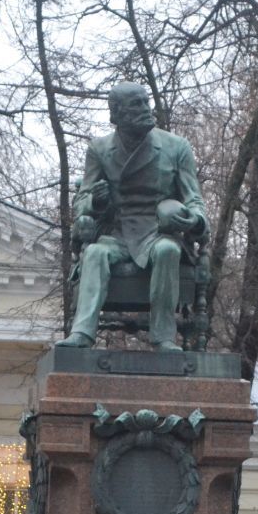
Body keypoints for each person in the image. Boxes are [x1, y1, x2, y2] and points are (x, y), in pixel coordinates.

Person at [57, 82, 210, 352]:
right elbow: (82, 202)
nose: (145, 109)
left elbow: (193, 198)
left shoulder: (176, 148)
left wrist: (196, 220)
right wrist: (95, 200)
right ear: (116, 115)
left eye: (145, 102)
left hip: (157, 232)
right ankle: (82, 333)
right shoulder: (100, 150)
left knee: (167, 251)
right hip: (117, 235)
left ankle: (163, 336)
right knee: (93, 253)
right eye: (135, 105)